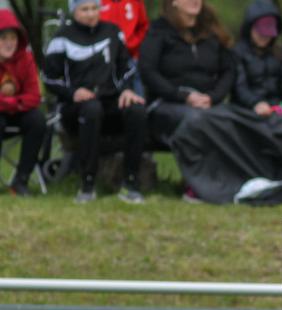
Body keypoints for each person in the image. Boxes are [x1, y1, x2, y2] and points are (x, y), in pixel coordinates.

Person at [43, 0, 146, 204]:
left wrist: (126, 91)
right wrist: (73, 92)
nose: (91, 14)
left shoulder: (112, 31)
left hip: (109, 100)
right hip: (76, 107)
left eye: (94, 8)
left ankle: (131, 183)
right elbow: (49, 79)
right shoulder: (62, 37)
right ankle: (87, 185)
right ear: (74, 11)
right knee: (91, 109)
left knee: (136, 110)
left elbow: (126, 67)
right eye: (85, 9)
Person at [139, 0, 234, 149]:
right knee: (199, 120)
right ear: (174, 2)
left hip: (208, 103)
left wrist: (212, 97)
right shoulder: (158, 31)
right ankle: (204, 172)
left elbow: (228, 70)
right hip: (166, 104)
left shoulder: (212, 31)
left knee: (235, 120)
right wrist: (183, 96)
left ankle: (246, 172)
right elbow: (147, 70)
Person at [0, 9, 45, 197]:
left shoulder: (26, 58)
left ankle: (21, 181)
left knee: (38, 120)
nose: (9, 43)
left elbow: (35, 96)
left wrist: (13, 103)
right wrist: (13, 103)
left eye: (13, 38)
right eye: (3, 38)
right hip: (5, 112)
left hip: (18, 109)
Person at [232, 0, 282, 117]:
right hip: (247, 111)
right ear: (249, 28)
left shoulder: (280, 53)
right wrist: (255, 103)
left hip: (277, 109)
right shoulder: (237, 53)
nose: (264, 37)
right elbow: (240, 87)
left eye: (268, 33)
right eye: (260, 32)